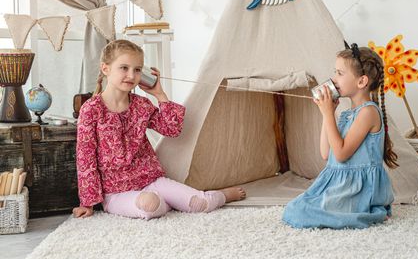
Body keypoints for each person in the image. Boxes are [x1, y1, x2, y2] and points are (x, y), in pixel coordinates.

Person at [73, 39, 246, 219]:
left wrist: (159, 94)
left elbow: (172, 129)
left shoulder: (141, 104)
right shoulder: (91, 109)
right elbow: (85, 158)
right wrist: (87, 202)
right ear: (105, 68)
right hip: (116, 193)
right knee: (149, 205)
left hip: (151, 181)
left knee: (201, 204)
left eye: (137, 69)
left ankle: (222, 195)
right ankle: (166, 202)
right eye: (124, 68)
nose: (131, 76)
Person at [283, 44, 397, 229]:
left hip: (356, 189)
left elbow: (342, 154)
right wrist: (328, 114)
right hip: (339, 182)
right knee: (295, 209)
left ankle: (365, 210)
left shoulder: (368, 112)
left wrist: (328, 114)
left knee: (303, 213)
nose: (334, 79)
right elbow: (326, 153)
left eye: (340, 73)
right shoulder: (347, 114)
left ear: (361, 82)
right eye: (335, 72)